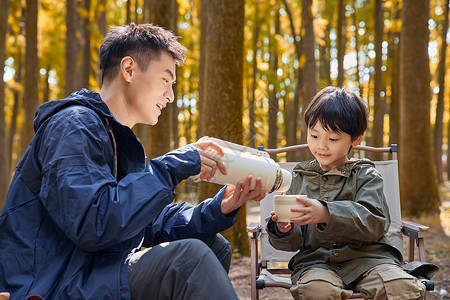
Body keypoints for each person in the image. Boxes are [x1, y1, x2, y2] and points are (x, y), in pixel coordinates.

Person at [0, 23, 266, 300]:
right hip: (50, 286)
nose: (171, 96)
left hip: (89, 273)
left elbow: (147, 223)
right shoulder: (73, 126)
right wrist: (173, 165)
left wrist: (218, 208)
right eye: (166, 80)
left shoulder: (114, 140)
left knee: (214, 245)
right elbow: (94, 223)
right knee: (189, 259)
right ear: (128, 69)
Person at [266, 86, 427, 300]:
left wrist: (326, 213)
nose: (321, 145)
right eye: (314, 135)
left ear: (355, 139)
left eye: (332, 139)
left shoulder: (366, 175)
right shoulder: (297, 178)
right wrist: (283, 229)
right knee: (315, 291)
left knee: (400, 288)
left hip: (371, 259)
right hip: (316, 263)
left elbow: (375, 221)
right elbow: (294, 242)